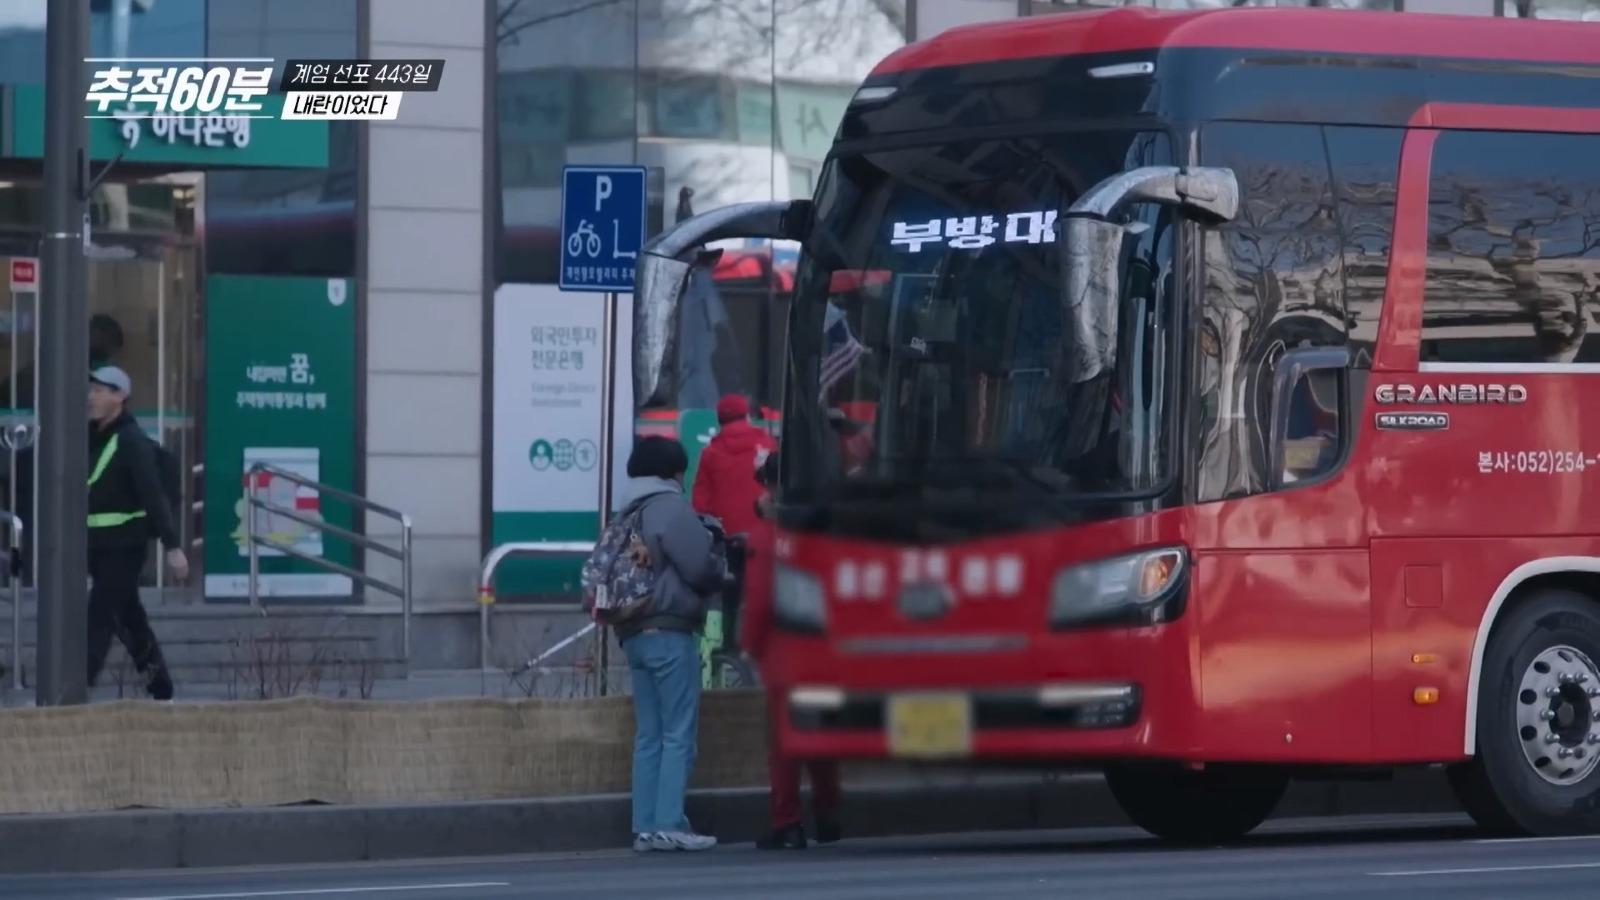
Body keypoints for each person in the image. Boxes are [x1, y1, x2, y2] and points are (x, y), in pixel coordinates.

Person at [616, 436, 725, 852]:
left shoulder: (626, 511)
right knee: (679, 732)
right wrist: (717, 552)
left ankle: (644, 826)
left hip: (632, 633)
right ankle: (670, 824)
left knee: (649, 734)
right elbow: (699, 567)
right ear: (673, 471)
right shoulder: (670, 508)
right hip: (668, 630)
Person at [740, 452, 842, 850]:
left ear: (770, 486)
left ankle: (787, 821)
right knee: (821, 733)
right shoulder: (826, 524)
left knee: (784, 741)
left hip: (786, 651)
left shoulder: (769, 534)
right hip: (827, 646)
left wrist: (749, 645)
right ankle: (829, 813)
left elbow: (761, 599)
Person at [87, 366, 185, 700]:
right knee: (129, 616)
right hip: (97, 546)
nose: (93, 396)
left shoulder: (130, 441)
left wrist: (172, 546)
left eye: (101, 390)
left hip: (125, 547)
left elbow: (152, 493)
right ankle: (161, 687)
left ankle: (74, 688)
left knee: (99, 614)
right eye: (93, 389)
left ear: (120, 397)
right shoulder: (93, 437)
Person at [692, 394, 775, 543]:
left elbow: (700, 503)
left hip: (726, 535)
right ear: (747, 416)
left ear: (719, 420)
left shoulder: (710, 453)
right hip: (765, 533)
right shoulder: (768, 445)